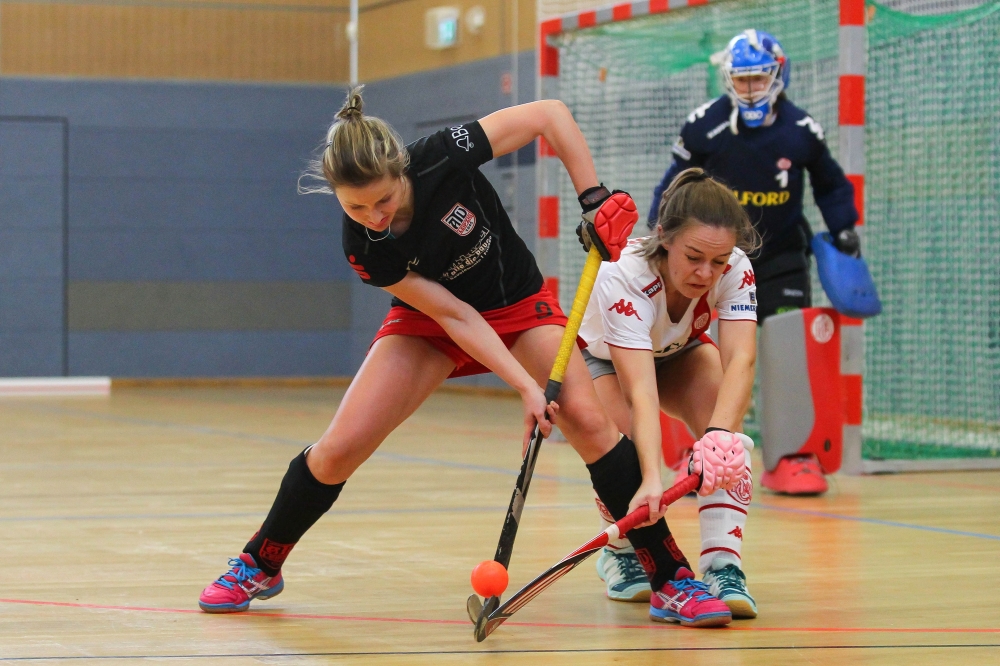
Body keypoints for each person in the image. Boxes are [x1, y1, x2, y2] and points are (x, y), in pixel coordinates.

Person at [197, 87, 735, 628]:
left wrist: (591, 197)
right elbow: (455, 317)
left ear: (402, 171)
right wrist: (525, 387)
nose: (374, 216)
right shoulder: (364, 246)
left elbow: (549, 115)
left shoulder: (443, 153)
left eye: (383, 200)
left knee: (589, 422)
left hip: (518, 303)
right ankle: (260, 561)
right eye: (355, 206)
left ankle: (671, 578)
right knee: (340, 447)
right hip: (433, 322)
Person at [647, 29, 861, 496]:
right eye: (741, 80)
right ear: (729, 80)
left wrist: (844, 226)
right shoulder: (703, 125)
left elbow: (829, 183)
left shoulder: (802, 131)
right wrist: (659, 235)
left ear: (777, 75)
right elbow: (673, 184)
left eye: (758, 78)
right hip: (713, 267)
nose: (749, 89)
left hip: (781, 258)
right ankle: (694, 453)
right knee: (693, 353)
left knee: (789, 353)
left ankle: (791, 456)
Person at [582, 168, 760, 618]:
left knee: (729, 441)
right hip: (606, 361)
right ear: (663, 236)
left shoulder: (736, 266)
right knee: (625, 457)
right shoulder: (622, 275)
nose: (706, 273)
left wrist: (719, 434)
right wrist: (652, 479)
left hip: (680, 352)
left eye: (717, 262)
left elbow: (741, 358)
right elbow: (641, 390)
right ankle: (620, 554)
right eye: (694, 256)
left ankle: (724, 567)